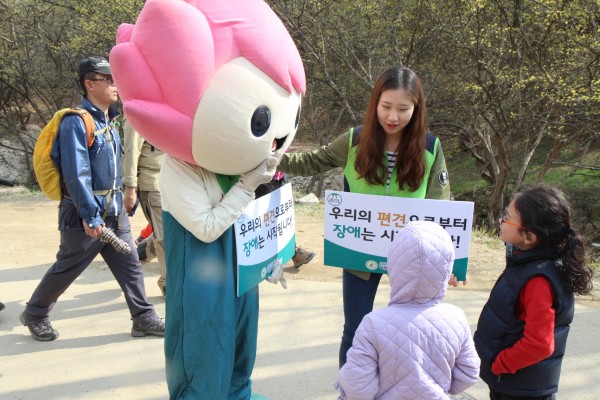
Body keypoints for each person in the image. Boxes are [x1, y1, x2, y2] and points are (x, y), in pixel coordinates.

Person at [278, 66, 452, 367]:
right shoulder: (354, 140)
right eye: (386, 106)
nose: (393, 117)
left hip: (413, 257)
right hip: (359, 251)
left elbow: (441, 207)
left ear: (417, 108)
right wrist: (265, 156)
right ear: (375, 103)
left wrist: (446, 260)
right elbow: (311, 161)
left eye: (403, 109)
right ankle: (353, 388)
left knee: (410, 331)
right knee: (356, 329)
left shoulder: (430, 147)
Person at [19, 56, 165, 341]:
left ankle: (143, 317)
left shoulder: (110, 120)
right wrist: (90, 215)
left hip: (113, 210)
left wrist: (125, 195)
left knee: (131, 264)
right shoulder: (76, 122)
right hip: (84, 214)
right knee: (68, 267)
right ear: (89, 84)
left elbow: (114, 164)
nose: (115, 85)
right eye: (108, 80)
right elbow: (77, 175)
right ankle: (35, 313)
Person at [335, 221, 480, 399]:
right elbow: (469, 372)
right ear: (447, 266)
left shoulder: (373, 323)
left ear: (394, 264)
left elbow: (358, 386)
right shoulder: (457, 318)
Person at [474, 187, 594, 400]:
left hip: (520, 388)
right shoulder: (526, 260)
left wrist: (500, 364)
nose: (501, 220)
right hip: (511, 383)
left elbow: (540, 344)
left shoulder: (538, 280)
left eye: (507, 218)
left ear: (529, 236)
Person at [122, 118, 167, 297]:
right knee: (164, 237)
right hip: (152, 183)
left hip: (172, 182)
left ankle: (138, 255)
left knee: (167, 233)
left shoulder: (162, 109)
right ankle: (168, 285)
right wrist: (130, 188)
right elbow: (131, 152)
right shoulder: (136, 115)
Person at [255, 171, 316, 268]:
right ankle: (264, 262)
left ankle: (293, 252)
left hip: (277, 174)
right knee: (267, 218)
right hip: (261, 174)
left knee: (283, 216)